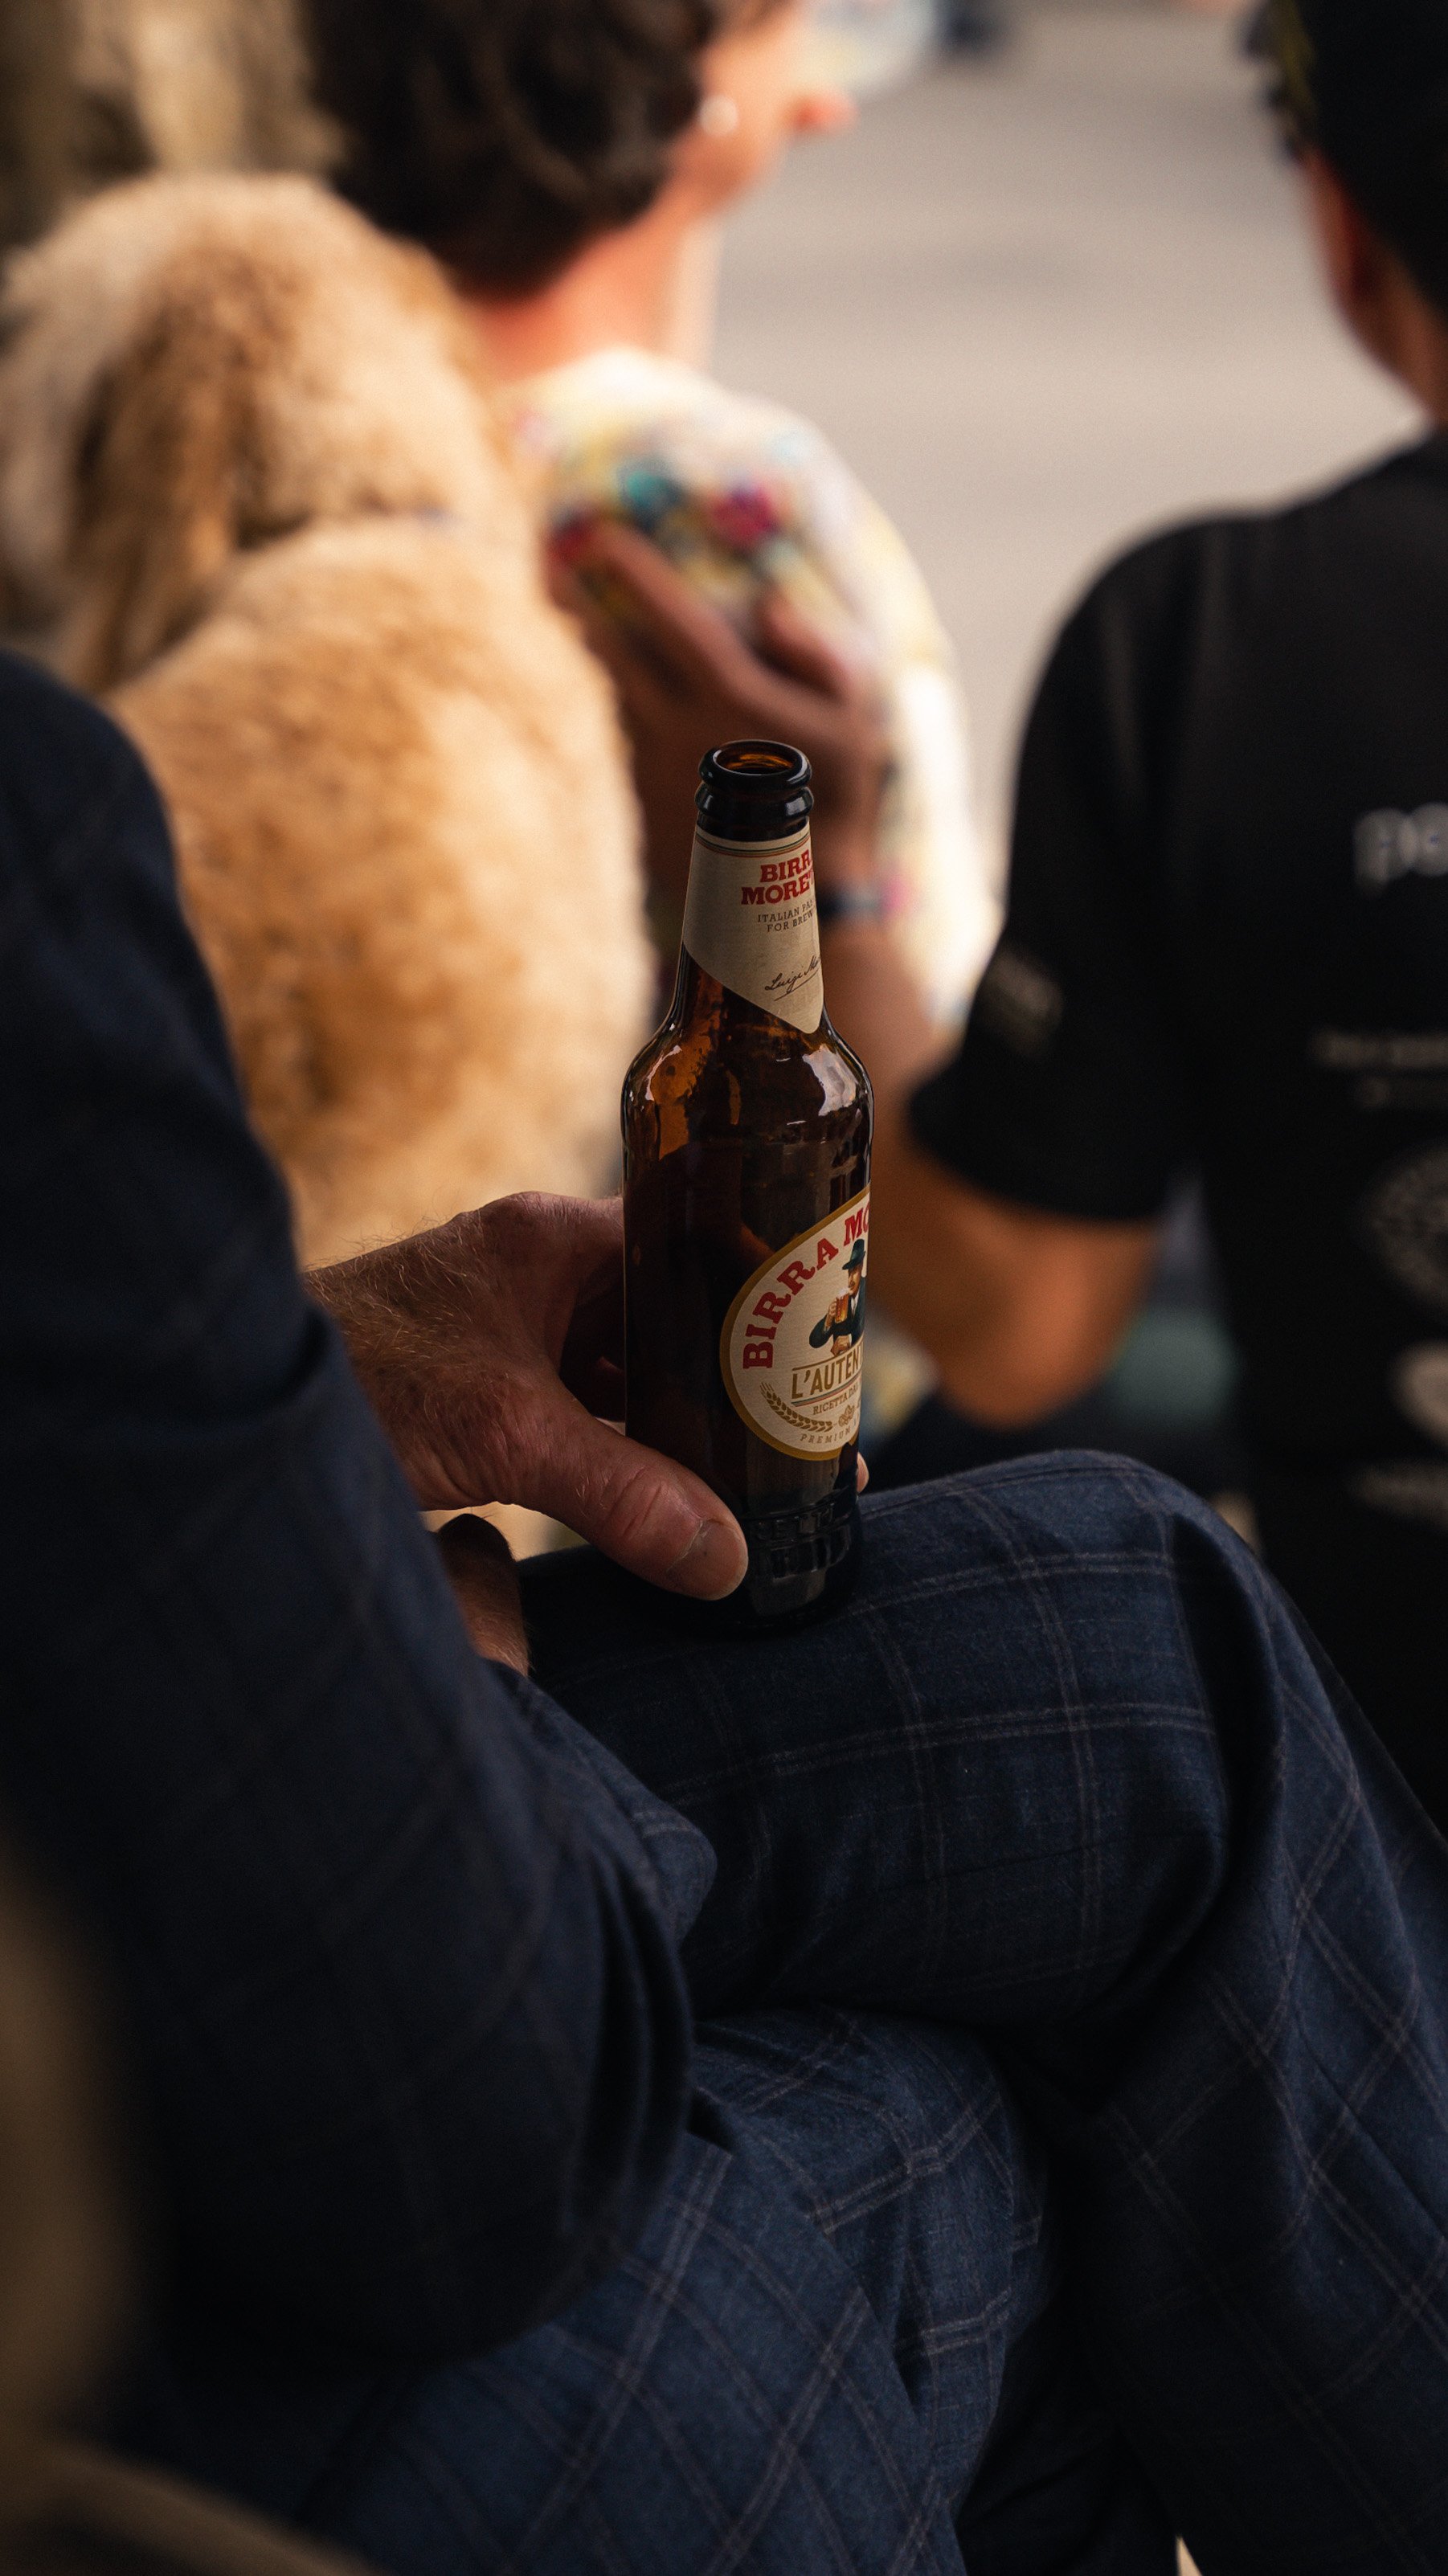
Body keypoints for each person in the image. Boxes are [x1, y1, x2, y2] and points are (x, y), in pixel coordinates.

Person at [2, 644, 1447, 2569]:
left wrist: (304, 1363)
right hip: (145, 2175)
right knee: (950, 2149)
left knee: (1141, 1631)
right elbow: (475, 2130)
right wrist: (466, 1668)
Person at [301, 0, 996, 1036]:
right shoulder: (704, 504)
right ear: (675, 79)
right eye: (788, 31)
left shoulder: (268, 424)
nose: (827, 101)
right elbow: (897, 1058)